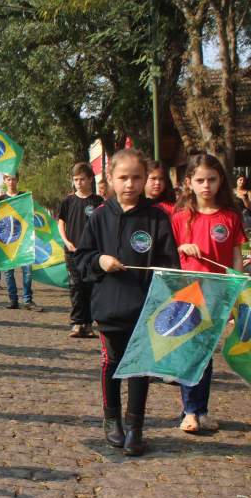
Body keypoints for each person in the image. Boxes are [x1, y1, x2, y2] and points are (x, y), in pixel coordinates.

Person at [75, 149, 179, 456]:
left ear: (146, 179)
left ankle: (135, 428)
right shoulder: (99, 217)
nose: (130, 184)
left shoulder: (157, 217)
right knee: (112, 363)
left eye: (136, 177)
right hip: (109, 308)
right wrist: (99, 260)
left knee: (139, 368)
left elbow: (169, 262)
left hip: (145, 308)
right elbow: (81, 258)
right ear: (109, 179)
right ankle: (112, 421)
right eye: (123, 177)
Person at [171, 154, 245, 434]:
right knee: (191, 351)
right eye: (200, 180)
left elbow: (237, 255)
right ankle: (189, 410)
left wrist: (236, 289)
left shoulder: (230, 216)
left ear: (220, 181)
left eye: (211, 180)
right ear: (189, 182)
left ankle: (200, 410)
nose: (206, 186)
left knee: (205, 354)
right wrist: (182, 248)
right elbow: (169, 257)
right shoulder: (181, 218)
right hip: (188, 294)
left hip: (218, 293)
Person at [58, 162, 104, 338]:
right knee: (75, 287)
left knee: (90, 287)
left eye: (82, 179)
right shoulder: (68, 201)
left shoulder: (98, 202)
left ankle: (88, 323)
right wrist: (66, 241)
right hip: (72, 251)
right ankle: (77, 323)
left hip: (92, 252)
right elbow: (61, 222)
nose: (79, 183)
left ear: (90, 179)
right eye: (76, 180)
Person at [0, 173, 41, 311]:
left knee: (27, 271)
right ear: (4, 181)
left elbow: (31, 214)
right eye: (8, 179)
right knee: (8, 272)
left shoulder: (25, 197)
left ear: (18, 180)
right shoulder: (1, 199)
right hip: (7, 240)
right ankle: (13, 299)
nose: (11, 182)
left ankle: (27, 299)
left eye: (14, 179)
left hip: (24, 239)